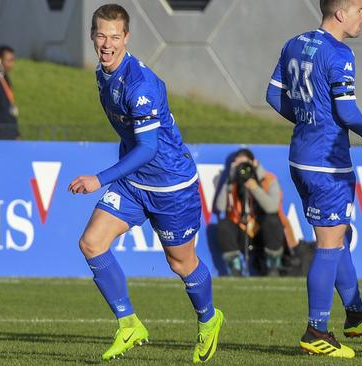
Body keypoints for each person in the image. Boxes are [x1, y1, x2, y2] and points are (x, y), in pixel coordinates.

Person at [67, 4, 222, 363]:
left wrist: (99, 179)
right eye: (101, 35)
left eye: (115, 36)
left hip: (170, 185)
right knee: (91, 243)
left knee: (181, 264)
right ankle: (129, 324)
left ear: (127, 38)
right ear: (92, 35)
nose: (107, 43)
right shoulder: (104, 72)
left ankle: (209, 319)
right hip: (134, 182)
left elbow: (149, 148)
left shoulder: (141, 85)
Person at [265, 0, 362, 359]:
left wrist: (308, 118)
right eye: (359, 9)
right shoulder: (340, 54)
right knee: (329, 243)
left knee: (339, 234)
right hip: (327, 163)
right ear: (340, 13)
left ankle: (355, 314)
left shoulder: (294, 44)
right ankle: (316, 331)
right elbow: (346, 109)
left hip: (300, 158)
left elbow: (273, 94)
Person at [214, 148, 292, 276]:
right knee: (224, 225)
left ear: (254, 163)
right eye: (239, 165)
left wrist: (254, 187)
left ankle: (273, 267)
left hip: (263, 232)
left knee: (272, 220)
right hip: (241, 230)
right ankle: (235, 269)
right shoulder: (232, 180)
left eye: (246, 165)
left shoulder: (269, 179)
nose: (243, 169)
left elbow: (272, 207)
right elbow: (220, 207)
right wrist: (230, 178)